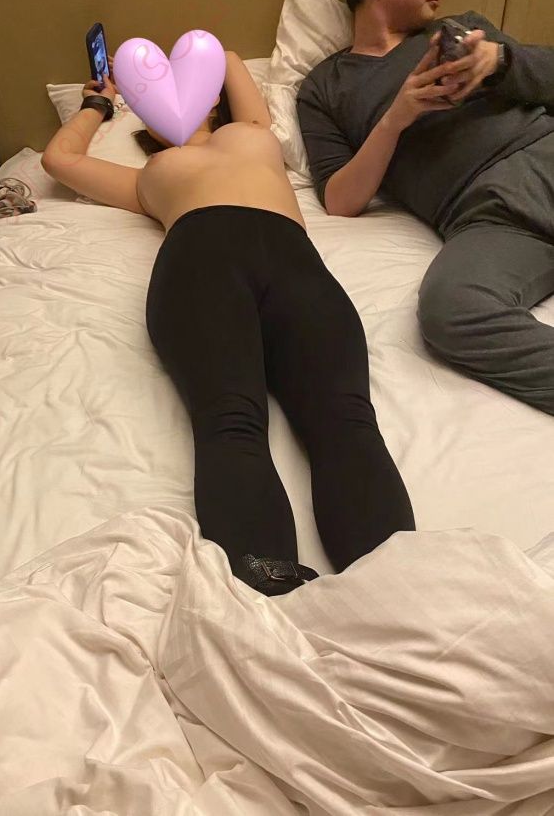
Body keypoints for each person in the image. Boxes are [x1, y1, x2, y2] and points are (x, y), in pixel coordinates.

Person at [41, 48, 416, 597]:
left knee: (346, 420)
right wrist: (99, 102)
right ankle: (267, 593)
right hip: (198, 265)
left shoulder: (253, 131)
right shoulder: (148, 176)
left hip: (294, 262)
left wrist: (183, 60)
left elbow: (225, 55)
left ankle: (396, 592)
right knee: (230, 423)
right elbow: (59, 161)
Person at [297, 0, 554, 416]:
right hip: (489, 219)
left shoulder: (465, 32)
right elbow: (339, 200)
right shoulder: (325, 87)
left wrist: (499, 63)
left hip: (544, 157)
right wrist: (397, 117)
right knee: (449, 309)